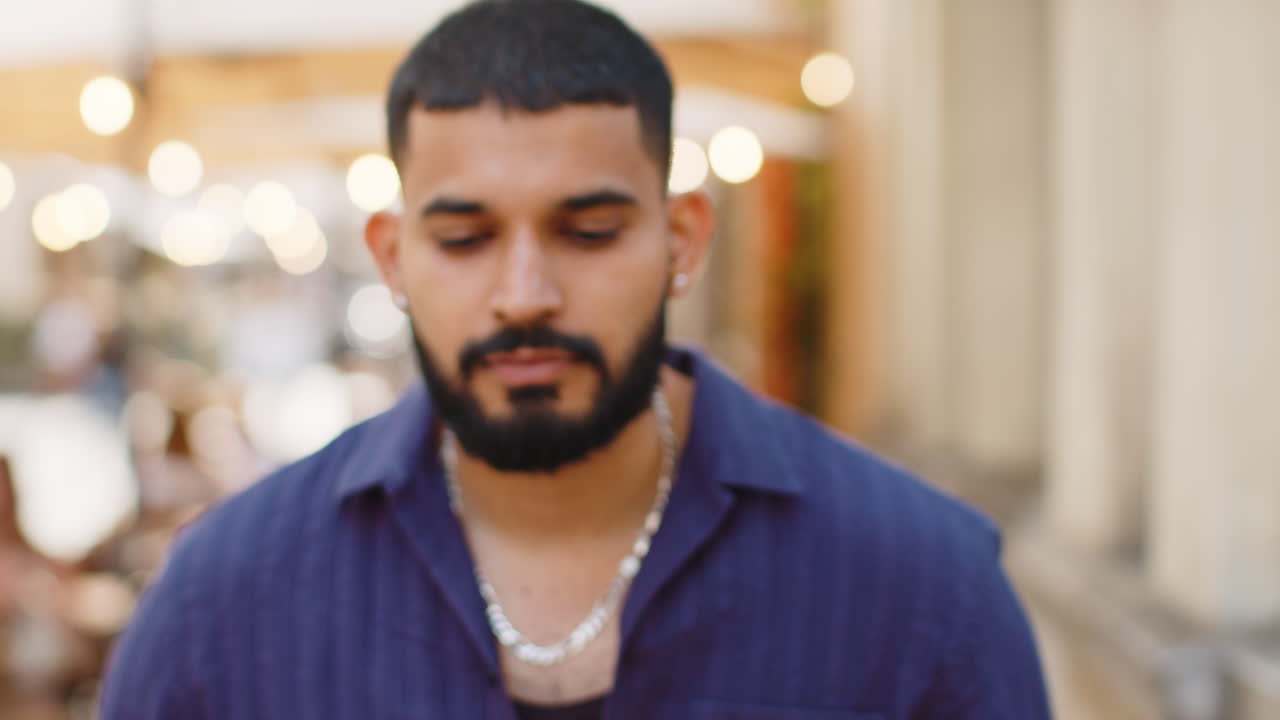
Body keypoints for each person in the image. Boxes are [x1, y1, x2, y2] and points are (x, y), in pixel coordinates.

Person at [100, 0, 1051, 717]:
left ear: (681, 238)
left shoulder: (923, 589)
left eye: (588, 231)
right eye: (465, 240)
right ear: (391, 256)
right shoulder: (225, 602)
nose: (524, 294)